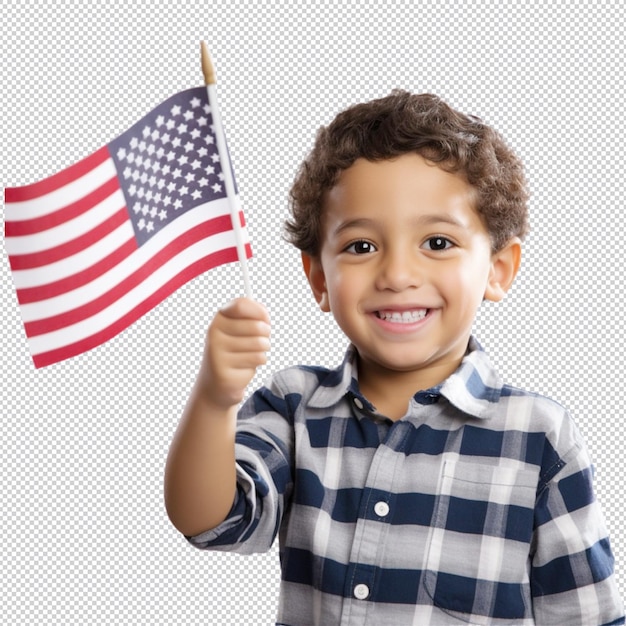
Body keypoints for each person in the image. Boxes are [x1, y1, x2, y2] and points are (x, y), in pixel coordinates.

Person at [164, 90, 624, 625]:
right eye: (361, 247)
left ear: (498, 268)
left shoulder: (539, 434)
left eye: (436, 242)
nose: (397, 275)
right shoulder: (292, 407)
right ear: (319, 279)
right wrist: (216, 398)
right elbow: (209, 520)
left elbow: (586, 615)